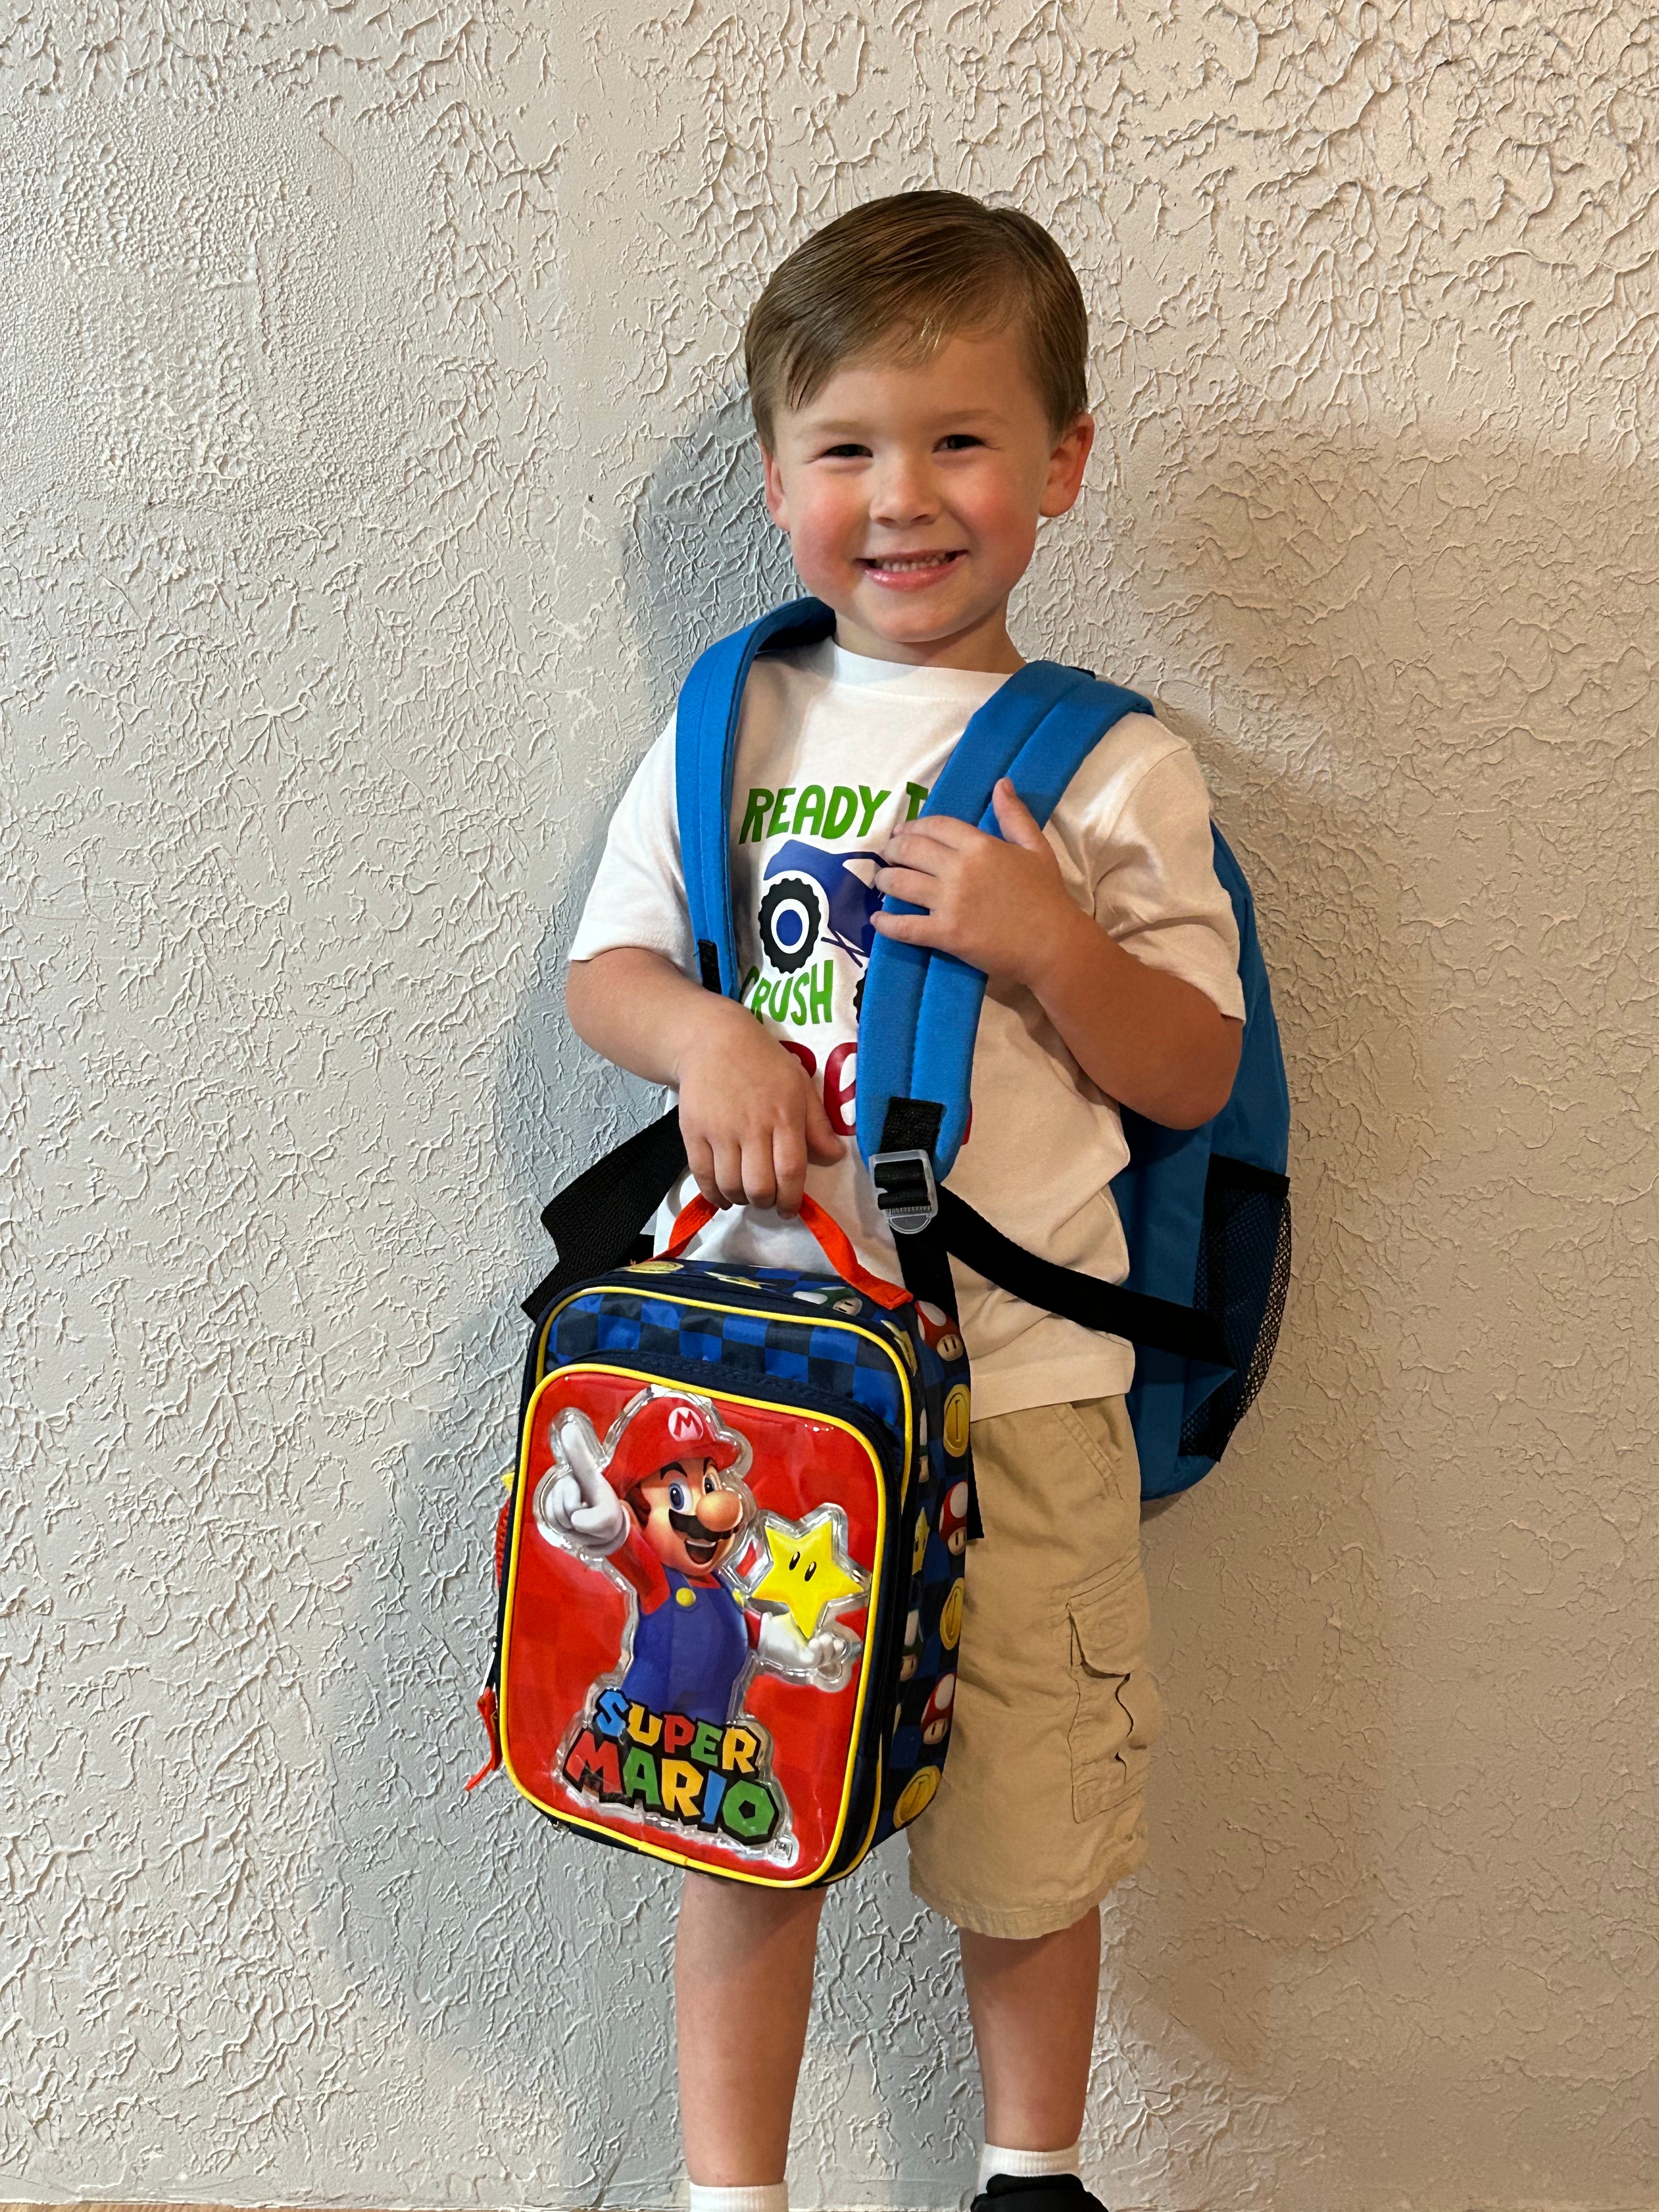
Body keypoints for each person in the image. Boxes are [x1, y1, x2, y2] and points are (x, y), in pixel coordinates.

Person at [563, 190, 1246, 2212]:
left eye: (959, 441)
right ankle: (731, 2194)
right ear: (778, 477)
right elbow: (611, 971)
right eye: (847, 446)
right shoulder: (735, 721)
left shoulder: (1112, 768)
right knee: (733, 1806)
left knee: (1029, 1835)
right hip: (755, 1392)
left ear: (1060, 466)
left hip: (1022, 1396)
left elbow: (1191, 1068)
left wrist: (1053, 946)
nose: (902, 497)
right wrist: (704, 1042)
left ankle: (1030, 2175)